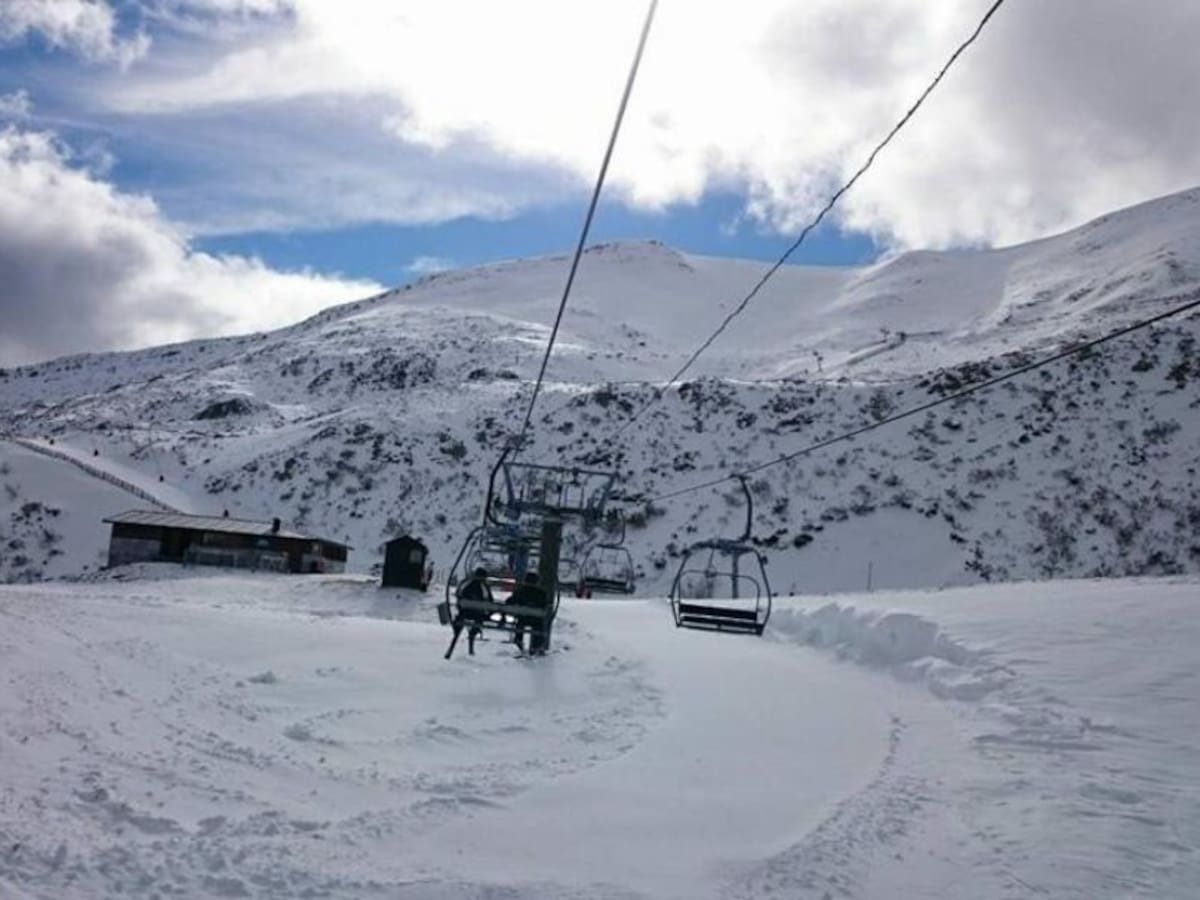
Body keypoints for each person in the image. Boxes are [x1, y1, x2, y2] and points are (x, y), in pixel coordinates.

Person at [508, 571, 550, 655]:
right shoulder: (541, 593)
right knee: (539, 626)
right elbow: (545, 605)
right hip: (536, 620)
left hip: (522, 618)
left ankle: (519, 639)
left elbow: (509, 602)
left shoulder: (520, 591)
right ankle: (536, 646)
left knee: (520, 623)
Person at [454, 567, 494, 655]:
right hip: (478, 614)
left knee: (459, 619)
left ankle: (456, 636)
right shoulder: (484, 587)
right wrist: (489, 613)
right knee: (480, 619)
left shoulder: (466, 583)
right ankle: (473, 633)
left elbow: (458, 595)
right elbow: (490, 601)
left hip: (464, 612)